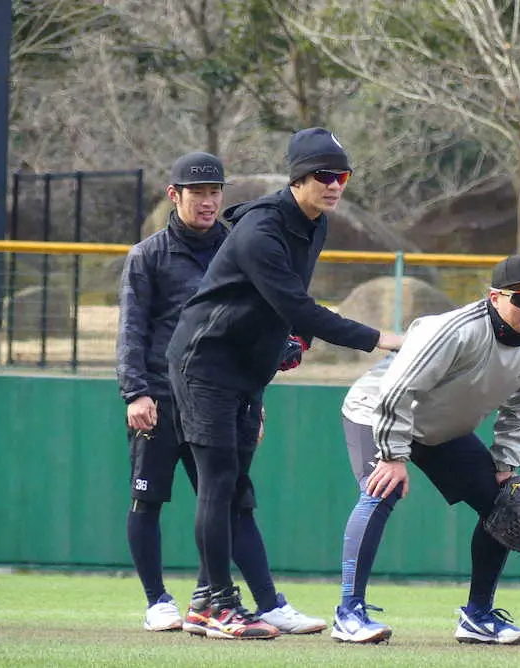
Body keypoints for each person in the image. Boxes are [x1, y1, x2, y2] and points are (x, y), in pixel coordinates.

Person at [165, 128, 403, 640]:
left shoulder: (315, 224)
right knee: (219, 482)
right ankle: (217, 607)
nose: (335, 184)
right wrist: (381, 337)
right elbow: (295, 306)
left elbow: (287, 309)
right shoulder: (261, 231)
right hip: (204, 364)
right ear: (298, 179)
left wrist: (278, 356)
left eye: (342, 175)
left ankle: (217, 600)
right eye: (324, 175)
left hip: (246, 371)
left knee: (237, 490)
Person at [116, 152, 327, 636]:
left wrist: (253, 393)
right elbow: (131, 329)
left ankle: (267, 602)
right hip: (161, 395)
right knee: (147, 498)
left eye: (215, 192)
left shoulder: (240, 244)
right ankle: (158, 601)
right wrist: (135, 393)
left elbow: (264, 317)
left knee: (232, 498)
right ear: (175, 195)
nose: (209, 201)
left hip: (221, 391)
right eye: (198, 192)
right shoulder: (147, 255)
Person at [331, 253, 520, 645]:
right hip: (378, 410)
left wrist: (505, 464)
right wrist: (392, 455)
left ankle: (478, 617)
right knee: (380, 490)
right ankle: (349, 613)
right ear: (494, 298)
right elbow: (398, 390)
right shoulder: (454, 331)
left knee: (502, 504)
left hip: (440, 427)